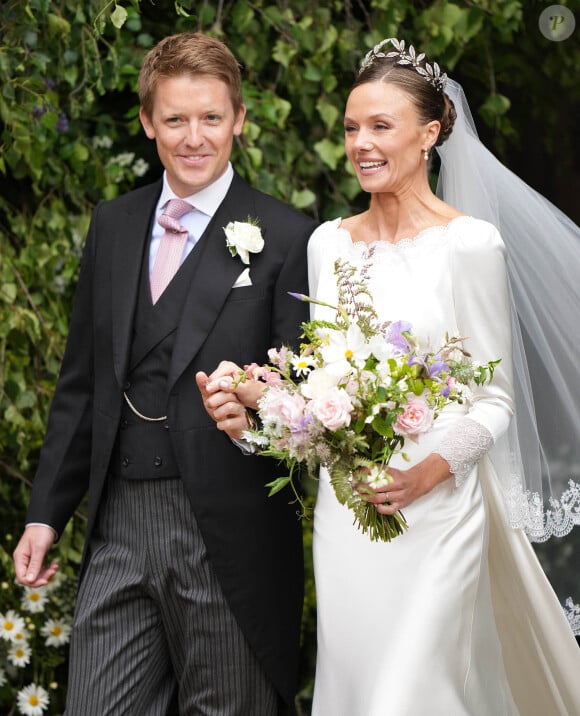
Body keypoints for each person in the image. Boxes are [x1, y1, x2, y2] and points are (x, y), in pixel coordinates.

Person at [215, 38, 580, 715]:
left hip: (439, 511)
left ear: (431, 132)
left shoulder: (469, 245)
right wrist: (261, 395)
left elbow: (494, 398)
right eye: (353, 127)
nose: (362, 144)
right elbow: (323, 385)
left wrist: (430, 471)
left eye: (382, 126)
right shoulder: (327, 243)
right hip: (349, 513)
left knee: (410, 696)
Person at [12, 31, 317, 715]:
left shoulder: (290, 236)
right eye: (175, 119)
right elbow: (82, 385)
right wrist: (45, 517)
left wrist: (255, 413)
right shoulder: (114, 225)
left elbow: (306, 402)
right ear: (148, 121)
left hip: (229, 530)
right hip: (118, 518)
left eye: (211, 117)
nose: (194, 137)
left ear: (239, 118)